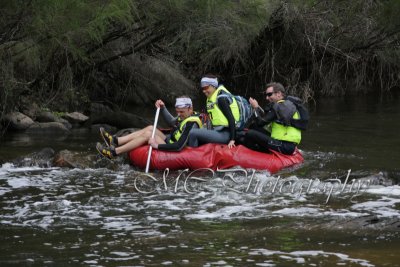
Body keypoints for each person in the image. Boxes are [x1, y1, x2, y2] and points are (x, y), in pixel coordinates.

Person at [96, 96, 202, 159]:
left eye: (181, 112)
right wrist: (163, 107)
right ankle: (115, 140)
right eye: (177, 112)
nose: (179, 114)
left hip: (177, 149)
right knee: (151, 128)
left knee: (148, 135)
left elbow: (179, 146)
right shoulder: (187, 115)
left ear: (190, 108)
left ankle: (114, 152)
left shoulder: (192, 123)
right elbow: (172, 122)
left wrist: (157, 146)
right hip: (170, 140)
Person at [239, 82, 303, 155]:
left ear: (279, 93)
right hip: (285, 143)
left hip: (285, 146)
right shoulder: (286, 105)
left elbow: (260, 123)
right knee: (254, 126)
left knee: (250, 133)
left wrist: (256, 108)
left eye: (269, 94)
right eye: (266, 95)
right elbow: (265, 120)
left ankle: (251, 154)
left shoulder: (280, 107)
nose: (267, 97)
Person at [187, 74, 240, 148]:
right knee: (193, 129)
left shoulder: (221, 99)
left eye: (206, 88)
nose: (204, 91)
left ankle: (192, 156)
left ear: (213, 85)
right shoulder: (211, 98)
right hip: (217, 130)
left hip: (225, 134)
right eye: (202, 88)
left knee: (193, 133)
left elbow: (231, 119)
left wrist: (232, 139)